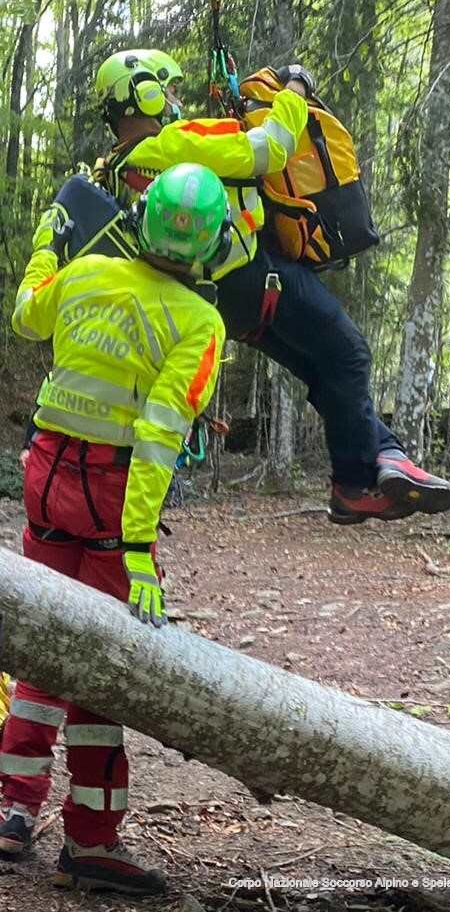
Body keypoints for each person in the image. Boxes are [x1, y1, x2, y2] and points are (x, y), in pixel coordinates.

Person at [43, 47, 450, 523]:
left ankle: (383, 455)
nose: (177, 98)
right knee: (349, 354)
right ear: (148, 94)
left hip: (218, 308)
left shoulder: (111, 172)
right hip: (258, 280)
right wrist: (295, 89)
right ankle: (354, 483)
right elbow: (271, 147)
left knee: (323, 368)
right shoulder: (177, 142)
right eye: (170, 88)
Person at [0, 163, 228, 895]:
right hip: (110, 494)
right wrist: (137, 552)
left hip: (44, 472)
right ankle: (92, 839)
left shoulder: (87, 271)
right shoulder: (199, 322)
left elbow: (26, 314)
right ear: (213, 244)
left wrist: (48, 244)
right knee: (103, 667)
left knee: (39, 645)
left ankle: (11, 808)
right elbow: (159, 440)